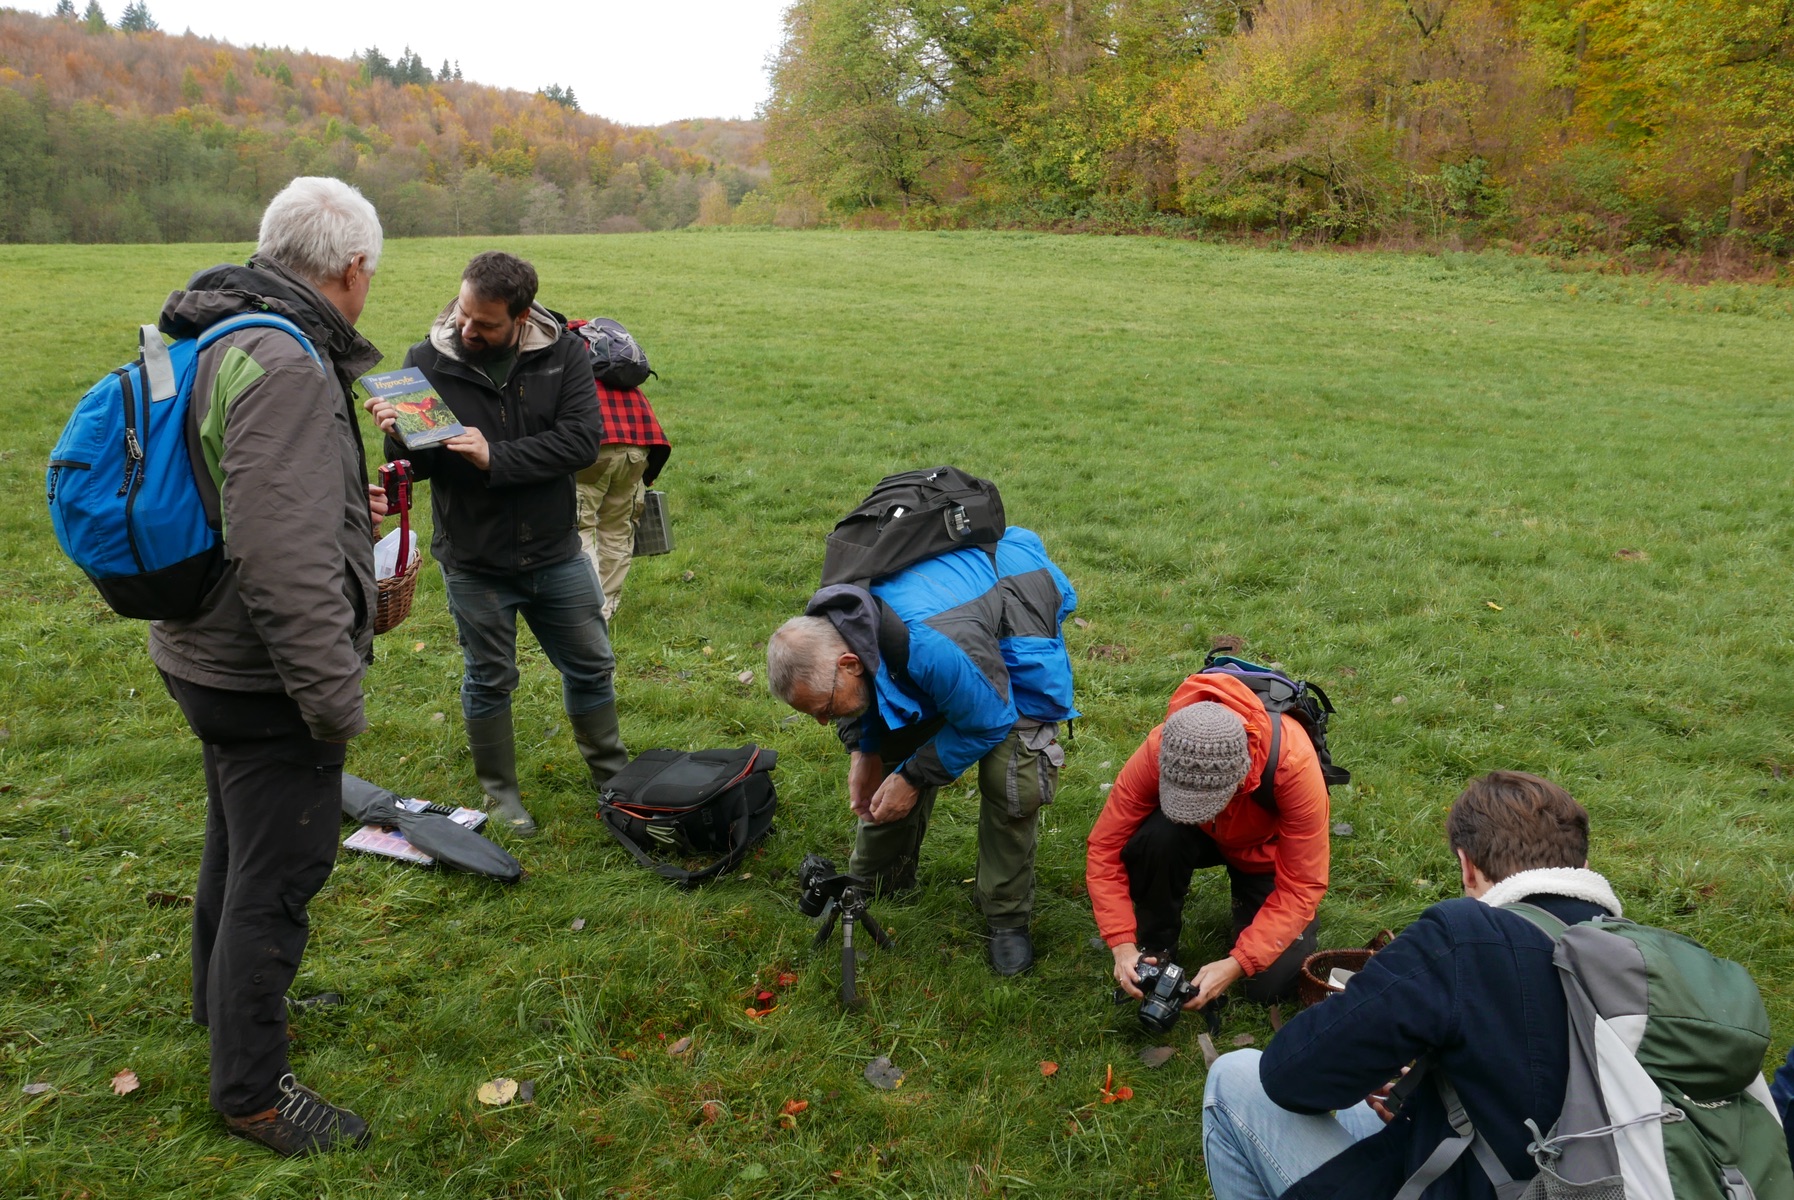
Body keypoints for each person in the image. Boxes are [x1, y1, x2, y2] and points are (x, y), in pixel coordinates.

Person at [150, 176, 385, 1155]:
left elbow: (243, 491)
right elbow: (277, 553)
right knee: (280, 874)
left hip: (200, 644)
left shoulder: (216, 328)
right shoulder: (285, 361)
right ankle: (252, 1090)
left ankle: (223, 1009)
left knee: (236, 842)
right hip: (261, 670)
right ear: (352, 268)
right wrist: (331, 697)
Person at [1201, 771, 1623, 1200]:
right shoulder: (1640, 956)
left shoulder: (1465, 936)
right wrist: (1424, 1093)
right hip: (1604, 1180)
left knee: (1236, 1077)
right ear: (1583, 866)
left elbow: (1289, 1078)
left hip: (1491, 1186)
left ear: (1467, 866)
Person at [365, 251, 626, 838]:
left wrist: (495, 456)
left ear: (520, 317)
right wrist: (398, 438)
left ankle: (614, 776)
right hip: (474, 557)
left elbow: (581, 442)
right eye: (462, 314)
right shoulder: (425, 361)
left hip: (555, 551)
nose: (466, 330)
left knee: (592, 665)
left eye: (484, 324)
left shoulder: (563, 354)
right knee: (489, 677)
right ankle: (501, 793)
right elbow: (417, 467)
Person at [765, 527, 1077, 975]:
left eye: (825, 710)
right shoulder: (839, 623)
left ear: (848, 665)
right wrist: (863, 750)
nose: (822, 722)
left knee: (1011, 778)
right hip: (951, 630)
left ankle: (1007, 915)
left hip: (1014, 617)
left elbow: (990, 720)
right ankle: (879, 878)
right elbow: (870, 686)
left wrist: (913, 778)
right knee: (890, 744)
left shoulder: (930, 645)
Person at [1087, 673, 1331, 1010]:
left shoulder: (1293, 764)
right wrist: (1121, 943)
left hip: (1264, 854)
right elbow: (1105, 847)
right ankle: (1155, 946)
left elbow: (1302, 884)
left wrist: (1239, 962)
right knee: (1155, 837)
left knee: (1270, 987)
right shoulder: (1164, 746)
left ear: (1241, 777)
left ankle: (1248, 903)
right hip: (1197, 835)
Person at [574, 376, 670, 623]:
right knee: (618, 531)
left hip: (593, 450)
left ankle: (586, 610)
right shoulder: (624, 373)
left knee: (579, 529)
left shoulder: (572, 368)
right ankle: (604, 611)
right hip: (635, 451)